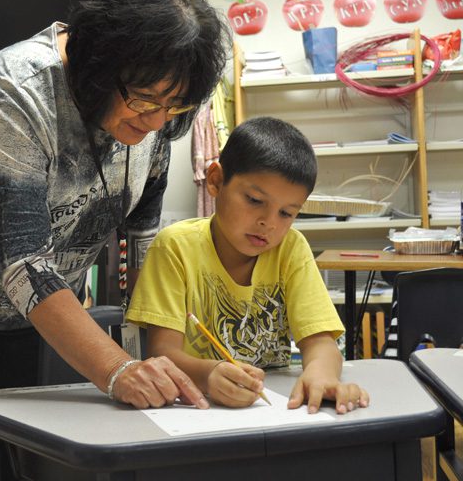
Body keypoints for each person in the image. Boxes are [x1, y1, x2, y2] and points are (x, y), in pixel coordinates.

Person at [0, 0, 230, 480]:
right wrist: (118, 369)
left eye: (175, 107)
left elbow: (143, 239)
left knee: (40, 455)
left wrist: (159, 350)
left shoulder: (159, 111)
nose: (158, 122)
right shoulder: (12, 90)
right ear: (96, 64)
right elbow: (23, 261)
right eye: (146, 101)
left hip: (42, 304)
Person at [126, 117, 370, 411]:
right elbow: (161, 353)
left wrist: (321, 374)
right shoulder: (175, 248)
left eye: (286, 213)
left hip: (271, 409)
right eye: (255, 200)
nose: (268, 222)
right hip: (196, 411)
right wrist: (208, 375)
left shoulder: (290, 249)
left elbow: (320, 342)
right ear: (215, 181)